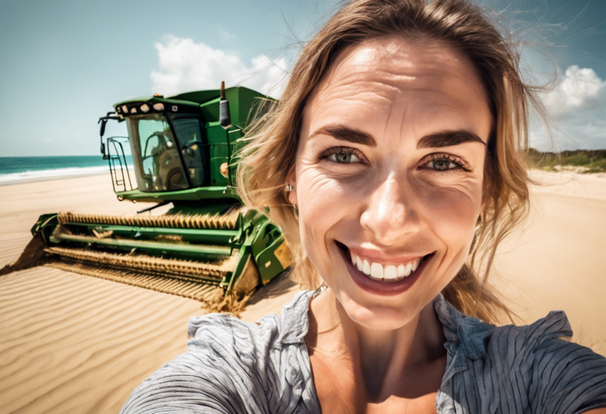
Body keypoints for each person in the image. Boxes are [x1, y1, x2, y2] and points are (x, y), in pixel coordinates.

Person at [121, 0, 606, 412]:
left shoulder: (539, 375)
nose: (388, 221)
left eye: (441, 161)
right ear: (291, 175)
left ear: (487, 193)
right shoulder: (229, 372)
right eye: (344, 154)